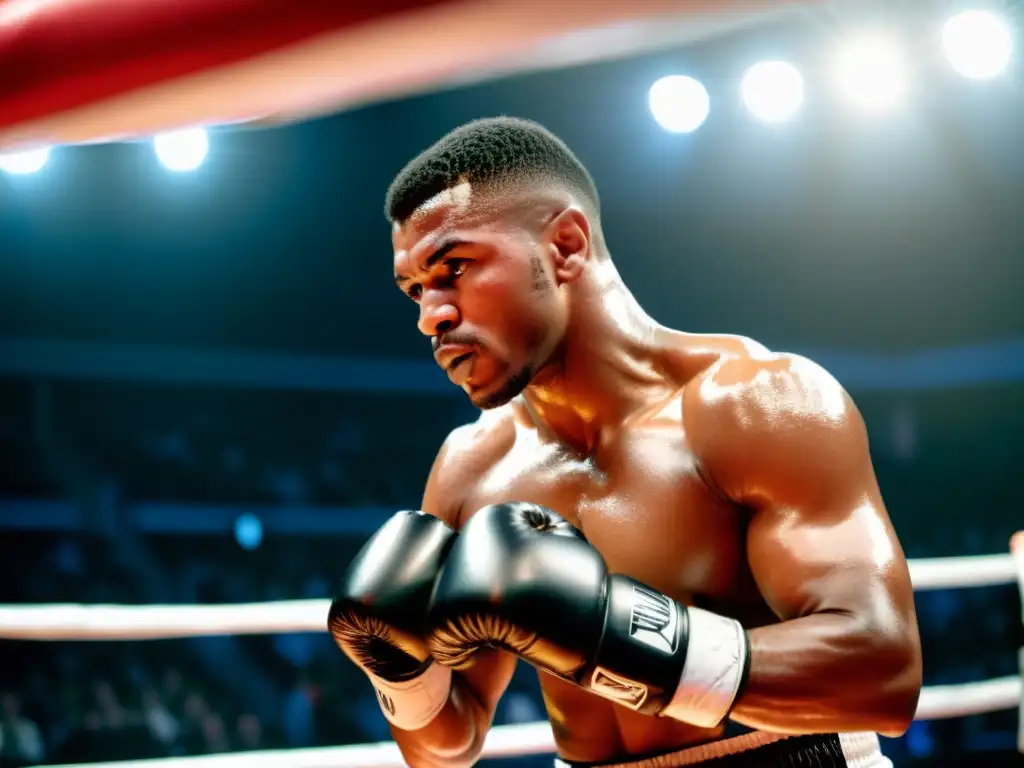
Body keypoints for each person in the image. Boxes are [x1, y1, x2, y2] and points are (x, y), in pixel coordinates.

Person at [328, 117, 922, 768]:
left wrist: (612, 636)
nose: (430, 315)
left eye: (455, 268)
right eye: (415, 290)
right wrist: (398, 674)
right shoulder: (473, 467)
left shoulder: (757, 404)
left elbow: (882, 673)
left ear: (565, 245)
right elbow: (448, 746)